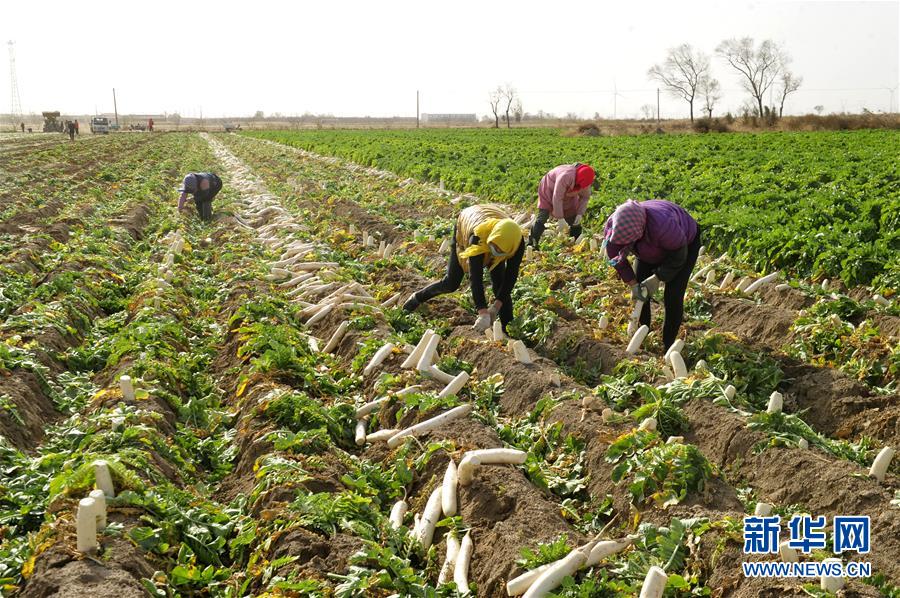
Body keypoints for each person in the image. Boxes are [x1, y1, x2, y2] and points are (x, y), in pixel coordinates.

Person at [403, 204, 525, 333]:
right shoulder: (477, 237)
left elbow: (511, 275)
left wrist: (495, 307)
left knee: (500, 283)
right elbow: (475, 277)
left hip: (496, 233)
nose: (495, 251)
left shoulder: (516, 243)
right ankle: (417, 297)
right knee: (451, 282)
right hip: (469, 223)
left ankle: (508, 329)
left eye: (500, 250)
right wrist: (483, 312)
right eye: (494, 247)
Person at [602, 199, 700, 351]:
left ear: (639, 232)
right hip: (647, 249)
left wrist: (658, 277)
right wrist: (633, 283)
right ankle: (642, 334)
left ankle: (668, 344)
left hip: (683, 246)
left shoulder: (663, 225)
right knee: (641, 290)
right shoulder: (616, 229)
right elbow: (617, 260)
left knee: (673, 294)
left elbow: (678, 256)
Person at [528, 163, 596, 249]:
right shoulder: (565, 176)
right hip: (549, 187)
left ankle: (574, 244)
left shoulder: (585, 181)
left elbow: (585, 197)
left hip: (568, 193)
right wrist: (560, 218)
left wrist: (579, 214)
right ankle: (532, 243)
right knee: (543, 215)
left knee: (573, 217)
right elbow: (557, 198)